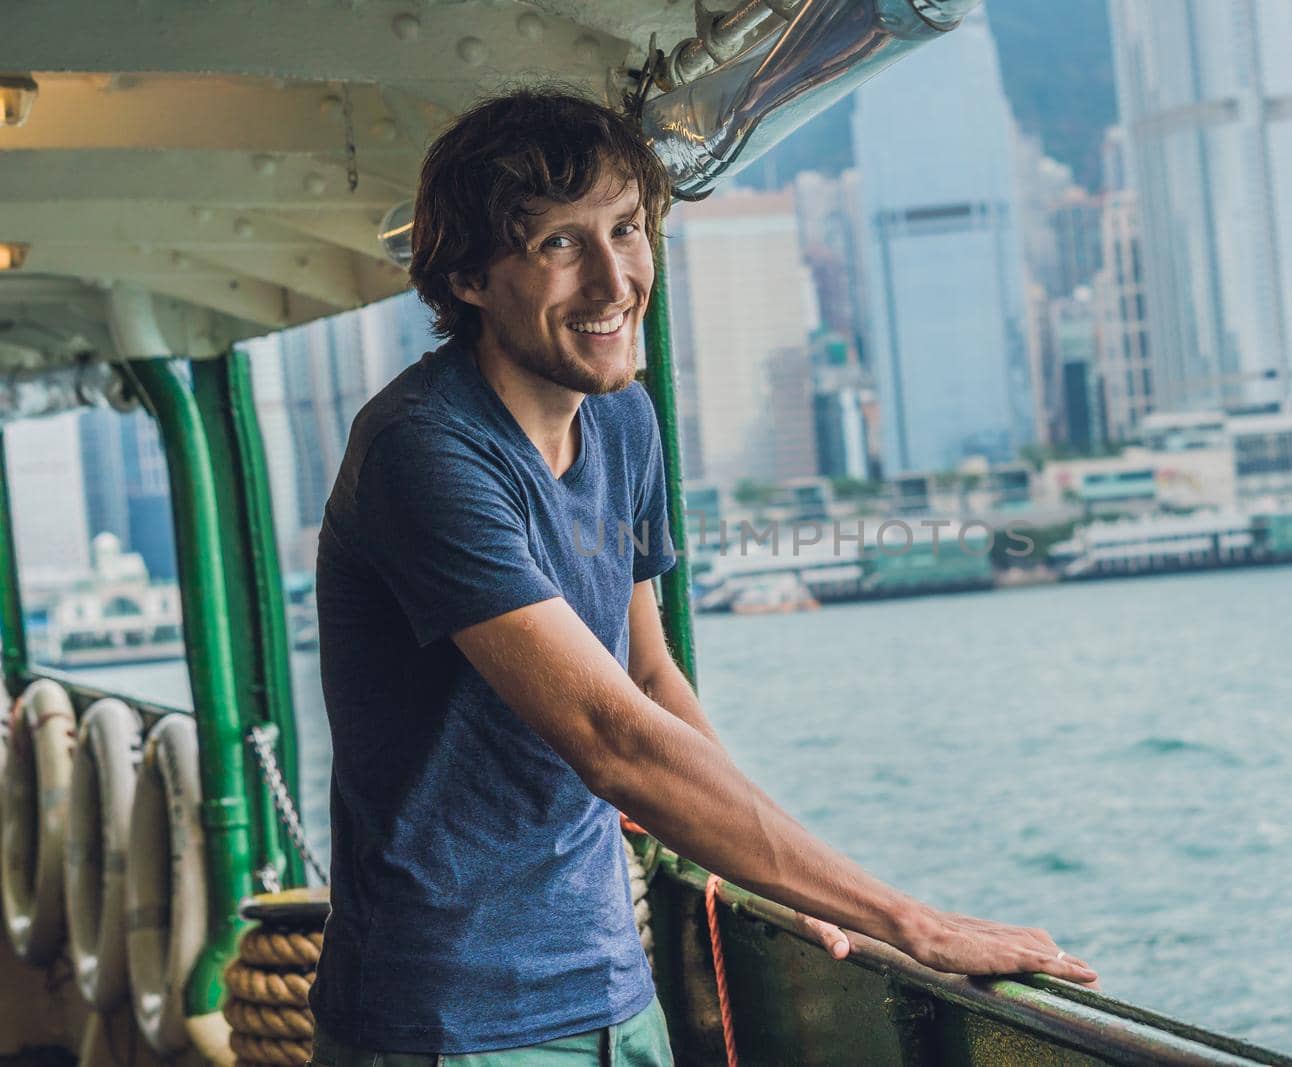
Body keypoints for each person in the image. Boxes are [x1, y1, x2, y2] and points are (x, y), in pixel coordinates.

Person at [308, 88, 1097, 1066]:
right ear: (468, 274)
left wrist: (784, 877)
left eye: (628, 230)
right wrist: (911, 921)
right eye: (560, 243)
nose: (614, 279)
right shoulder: (422, 451)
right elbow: (611, 736)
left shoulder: (622, 422)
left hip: (611, 983)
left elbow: (647, 675)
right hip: (451, 1015)